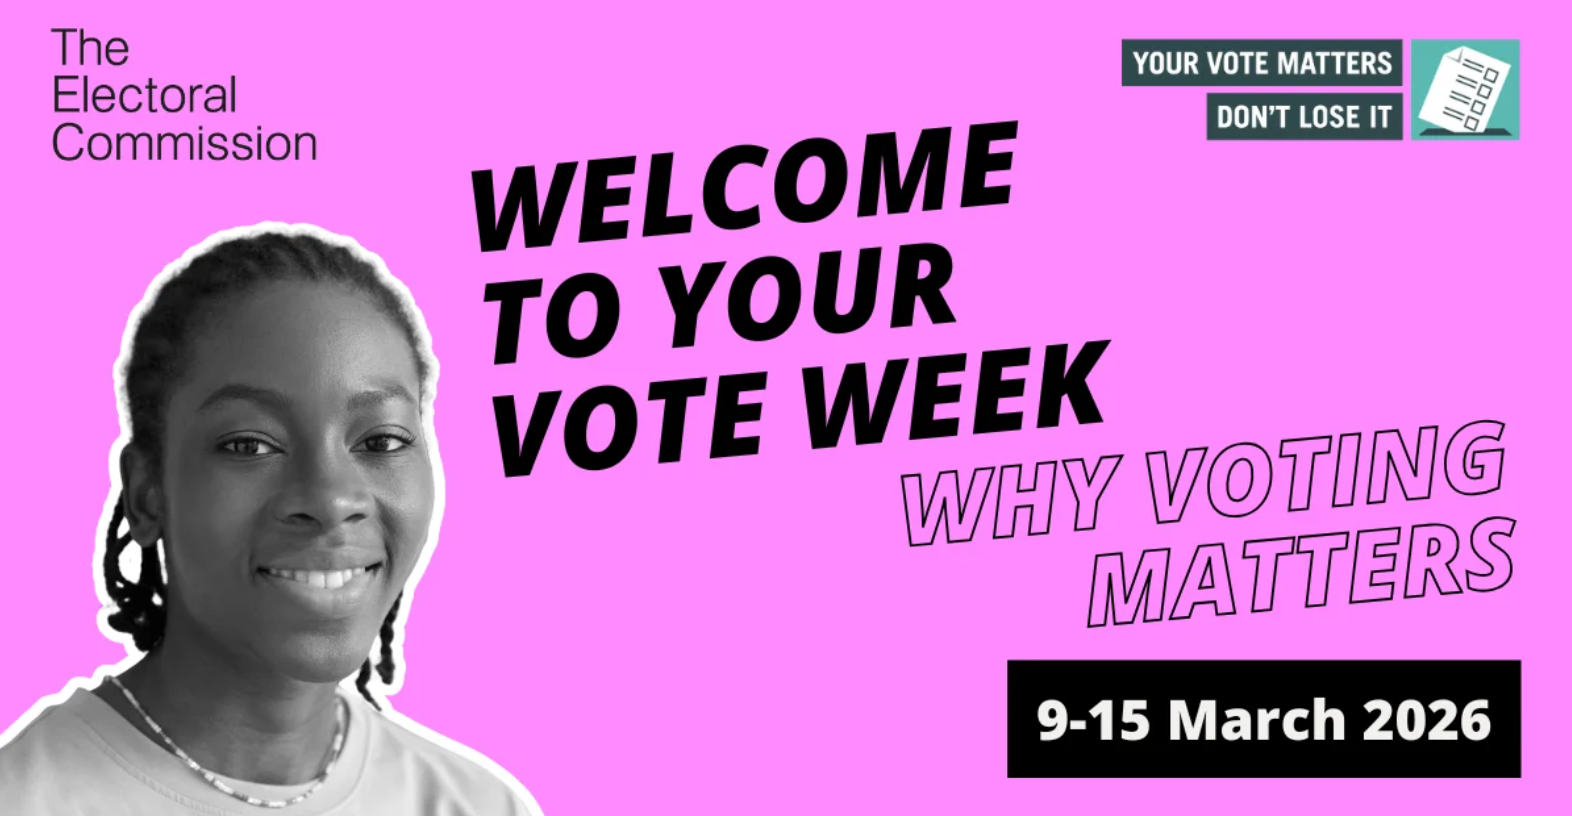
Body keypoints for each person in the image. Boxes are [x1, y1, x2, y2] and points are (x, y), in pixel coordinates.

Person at [0, 223, 542, 815]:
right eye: (250, 446)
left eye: (382, 440)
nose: (332, 499)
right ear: (148, 492)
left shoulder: (478, 805)